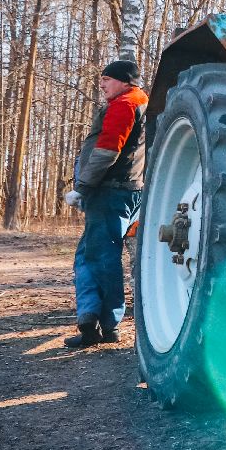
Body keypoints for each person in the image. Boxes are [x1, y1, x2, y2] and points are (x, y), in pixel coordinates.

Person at [63, 60, 147, 349]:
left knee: (95, 258)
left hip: (109, 192)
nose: (102, 84)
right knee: (98, 255)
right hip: (126, 191)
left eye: (107, 79)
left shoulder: (126, 104)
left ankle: (101, 323)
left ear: (125, 82)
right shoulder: (142, 103)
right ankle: (98, 319)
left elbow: (108, 150)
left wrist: (82, 188)